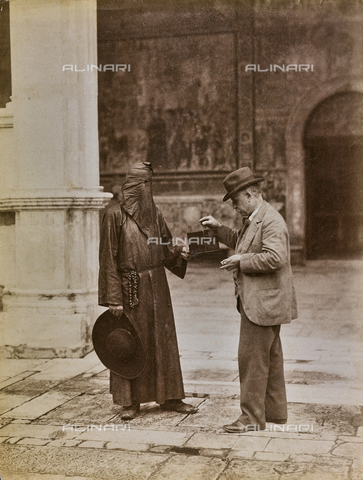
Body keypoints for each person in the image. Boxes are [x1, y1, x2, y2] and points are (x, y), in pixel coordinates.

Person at [200, 166, 297, 433]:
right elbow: (242, 241)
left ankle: (251, 419)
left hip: (263, 303)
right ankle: (275, 412)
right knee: (271, 357)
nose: (234, 206)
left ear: (251, 194)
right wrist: (219, 229)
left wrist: (241, 261)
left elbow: (276, 258)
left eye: (235, 200)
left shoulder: (272, 221)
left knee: (252, 358)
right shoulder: (256, 218)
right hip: (264, 302)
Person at [99, 161, 197, 420]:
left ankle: (171, 397)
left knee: (163, 339)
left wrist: (180, 251)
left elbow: (164, 248)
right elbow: (108, 259)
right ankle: (129, 401)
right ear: (133, 185)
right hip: (131, 287)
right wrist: (113, 298)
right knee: (131, 341)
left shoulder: (155, 215)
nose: (148, 190)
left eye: (150, 184)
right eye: (145, 184)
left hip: (158, 287)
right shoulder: (114, 216)